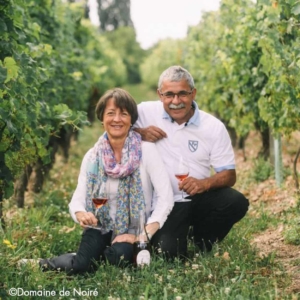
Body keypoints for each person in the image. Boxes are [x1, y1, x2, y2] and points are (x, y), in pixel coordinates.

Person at [37, 88, 174, 274]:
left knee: (119, 258)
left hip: (134, 229)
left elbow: (165, 198)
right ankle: (45, 263)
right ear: (102, 119)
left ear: (131, 120)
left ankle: (88, 255)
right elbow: (78, 198)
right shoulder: (92, 156)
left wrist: (143, 235)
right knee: (81, 267)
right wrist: (80, 213)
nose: (117, 119)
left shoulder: (147, 151)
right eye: (111, 113)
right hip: (99, 226)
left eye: (123, 114)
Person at [133, 65, 249, 253]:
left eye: (183, 94)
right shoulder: (145, 112)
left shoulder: (213, 127)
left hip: (197, 198)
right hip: (162, 202)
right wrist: (139, 133)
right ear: (160, 94)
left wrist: (205, 184)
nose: (176, 101)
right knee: (169, 252)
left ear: (193, 93)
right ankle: (174, 236)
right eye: (169, 94)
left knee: (236, 202)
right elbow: (113, 128)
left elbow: (229, 175)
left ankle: (202, 238)